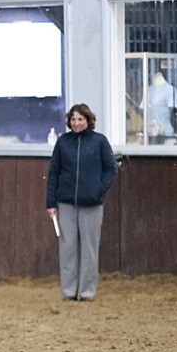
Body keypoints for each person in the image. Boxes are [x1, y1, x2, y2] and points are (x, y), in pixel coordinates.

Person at [46, 103, 118, 301]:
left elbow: (111, 169)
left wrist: (98, 191)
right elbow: (54, 173)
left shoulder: (100, 141)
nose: (76, 123)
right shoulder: (63, 142)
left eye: (80, 119)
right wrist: (50, 203)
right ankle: (68, 292)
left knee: (89, 249)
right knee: (67, 248)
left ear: (88, 120)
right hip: (66, 203)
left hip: (92, 205)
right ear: (69, 121)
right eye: (73, 119)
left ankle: (87, 292)